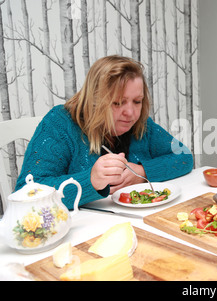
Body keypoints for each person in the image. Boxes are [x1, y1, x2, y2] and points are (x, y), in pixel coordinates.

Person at [15, 55, 193, 209]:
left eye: (137, 101)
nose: (130, 113)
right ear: (94, 100)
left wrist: (142, 172)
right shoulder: (60, 123)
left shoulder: (141, 124)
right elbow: (27, 193)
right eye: (117, 103)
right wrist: (90, 181)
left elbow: (184, 156)